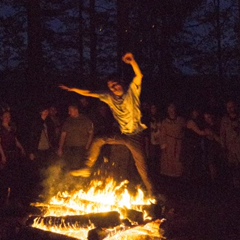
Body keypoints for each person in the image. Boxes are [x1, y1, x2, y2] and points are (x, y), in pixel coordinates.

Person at [59, 53, 159, 200]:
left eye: (115, 85)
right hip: (123, 135)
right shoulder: (109, 97)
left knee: (142, 169)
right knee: (99, 140)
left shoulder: (132, 91)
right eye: (111, 87)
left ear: (121, 83)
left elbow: (139, 75)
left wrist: (132, 62)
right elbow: (90, 93)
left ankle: (153, 194)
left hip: (135, 136)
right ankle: (87, 167)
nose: (113, 88)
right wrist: (73, 89)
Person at [57, 104, 94, 171]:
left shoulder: (85, 120)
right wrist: (60, 148)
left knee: (78, 166)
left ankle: (78, 179)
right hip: (69, 147)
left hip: (81, 147)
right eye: (69, 111)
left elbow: (91, 134)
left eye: (70, 111)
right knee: (69, 165)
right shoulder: (68, 121)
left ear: (76, 110)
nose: (69, 113)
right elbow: (63, 135)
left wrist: (87, 146)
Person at [0, 110, 26, 204]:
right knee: (5, 176)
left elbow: (15, 140)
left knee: (14, 175)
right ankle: (3, 199)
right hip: (5, 153)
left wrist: (21, 148)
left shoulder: (11, 128)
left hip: (13, 154)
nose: (8, 118)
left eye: (9, 116)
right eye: (6, 116)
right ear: (2, 117)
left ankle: (13, 199)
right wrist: (2, 156)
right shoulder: (1, 128)